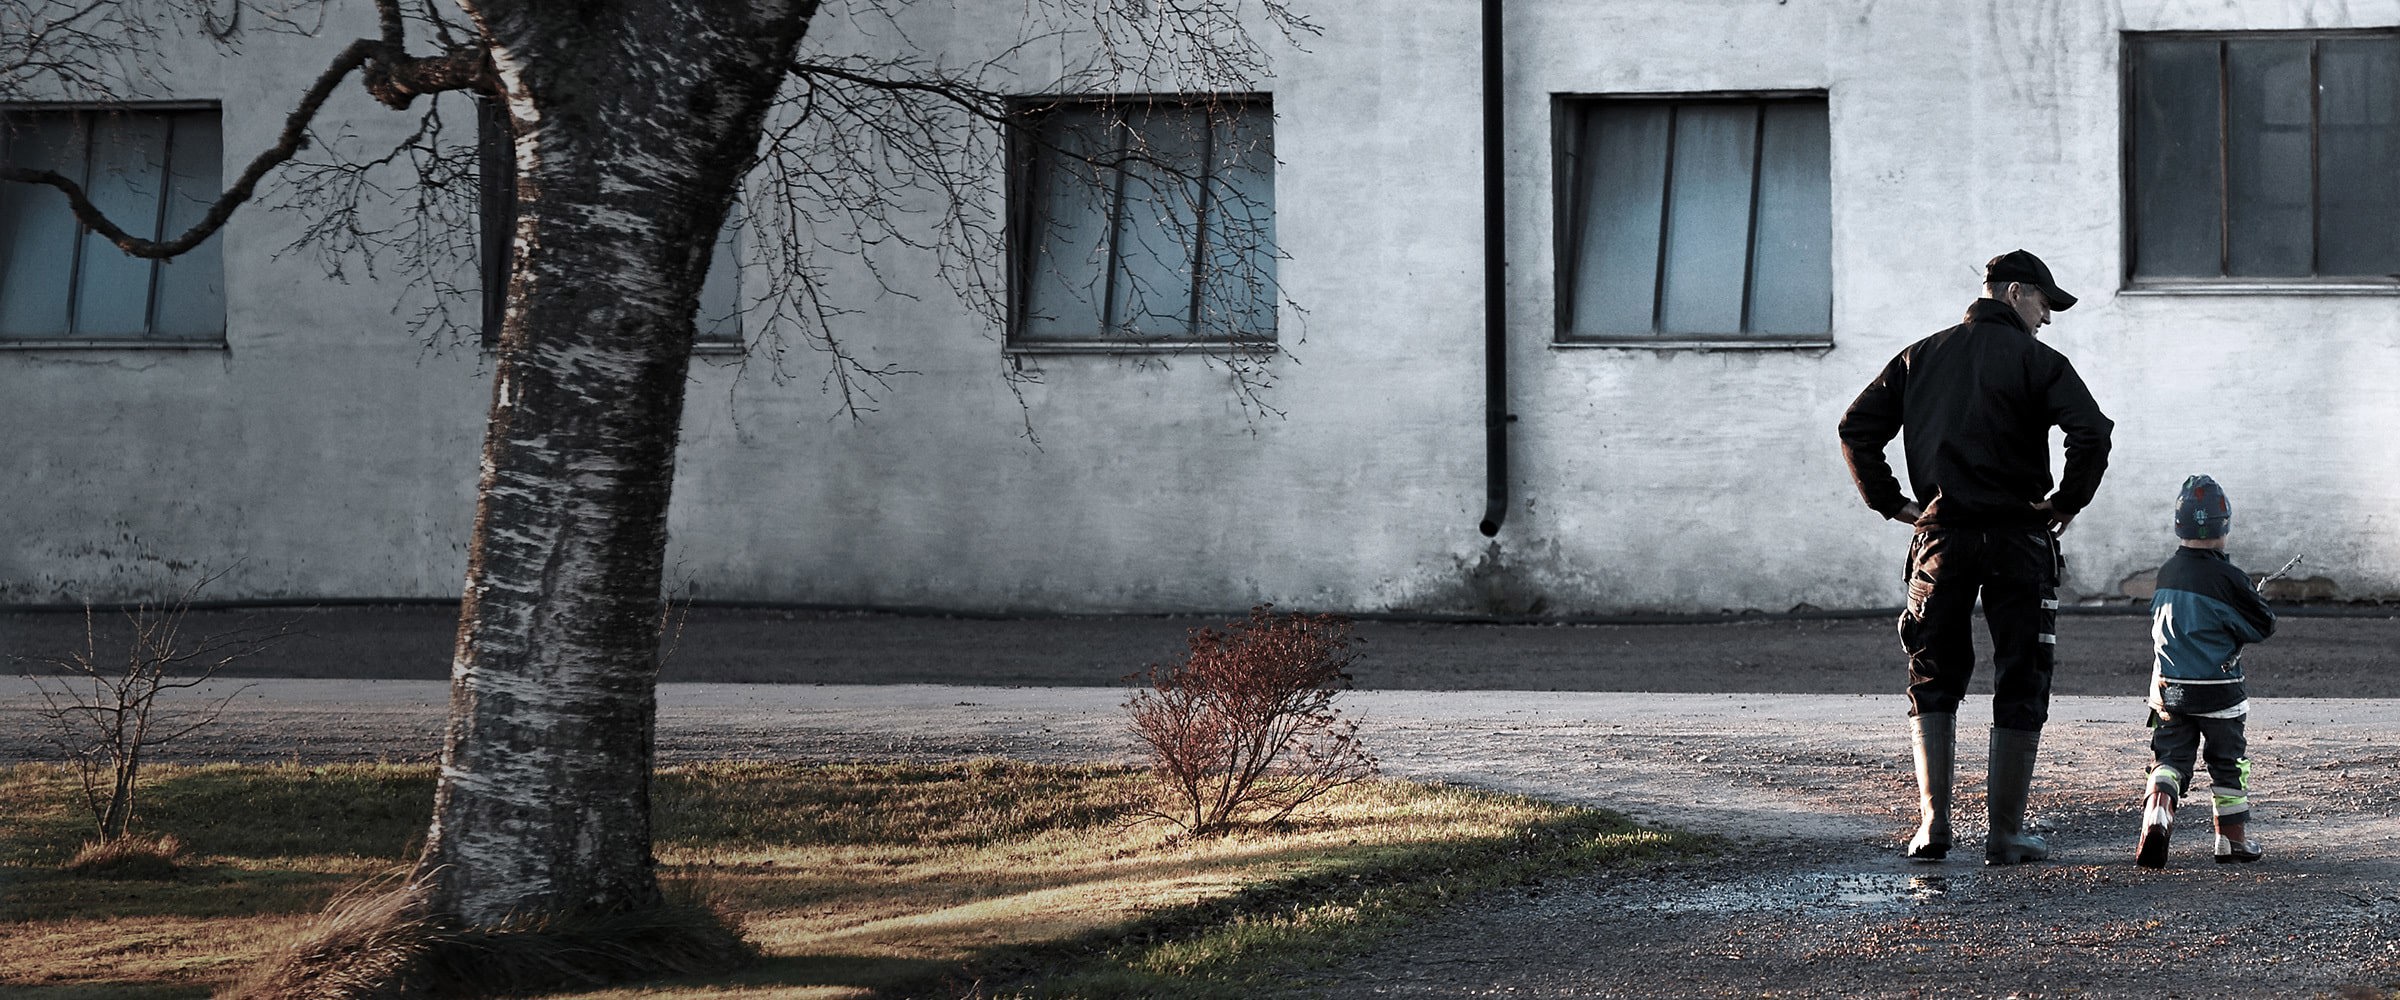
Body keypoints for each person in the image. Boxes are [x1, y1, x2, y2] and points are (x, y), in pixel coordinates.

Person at [1837, 249, 2114, 865]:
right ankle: (2006, 834)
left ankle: (1934, 825)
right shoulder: (2038, 361)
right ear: (2015, 293)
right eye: (2045, 303)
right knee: (2022, 673)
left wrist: (1894, 504)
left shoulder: (1920, 357)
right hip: (2019, 537)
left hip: (1943, 538)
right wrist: (2067, 501)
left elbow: (1856, 429)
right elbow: (2092, 431)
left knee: (1933, 670)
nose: (2047, 318)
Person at [2136, 474, 2276, 869]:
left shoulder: (2165, 574)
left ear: (2178, 525)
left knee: (2170, 758)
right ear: (2224, 525)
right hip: (2220, 692)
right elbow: (2263, 625)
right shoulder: (2228, 578)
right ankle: (2231, 841)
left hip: (2169, 691)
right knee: (2228, 763)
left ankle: (2157, 814)